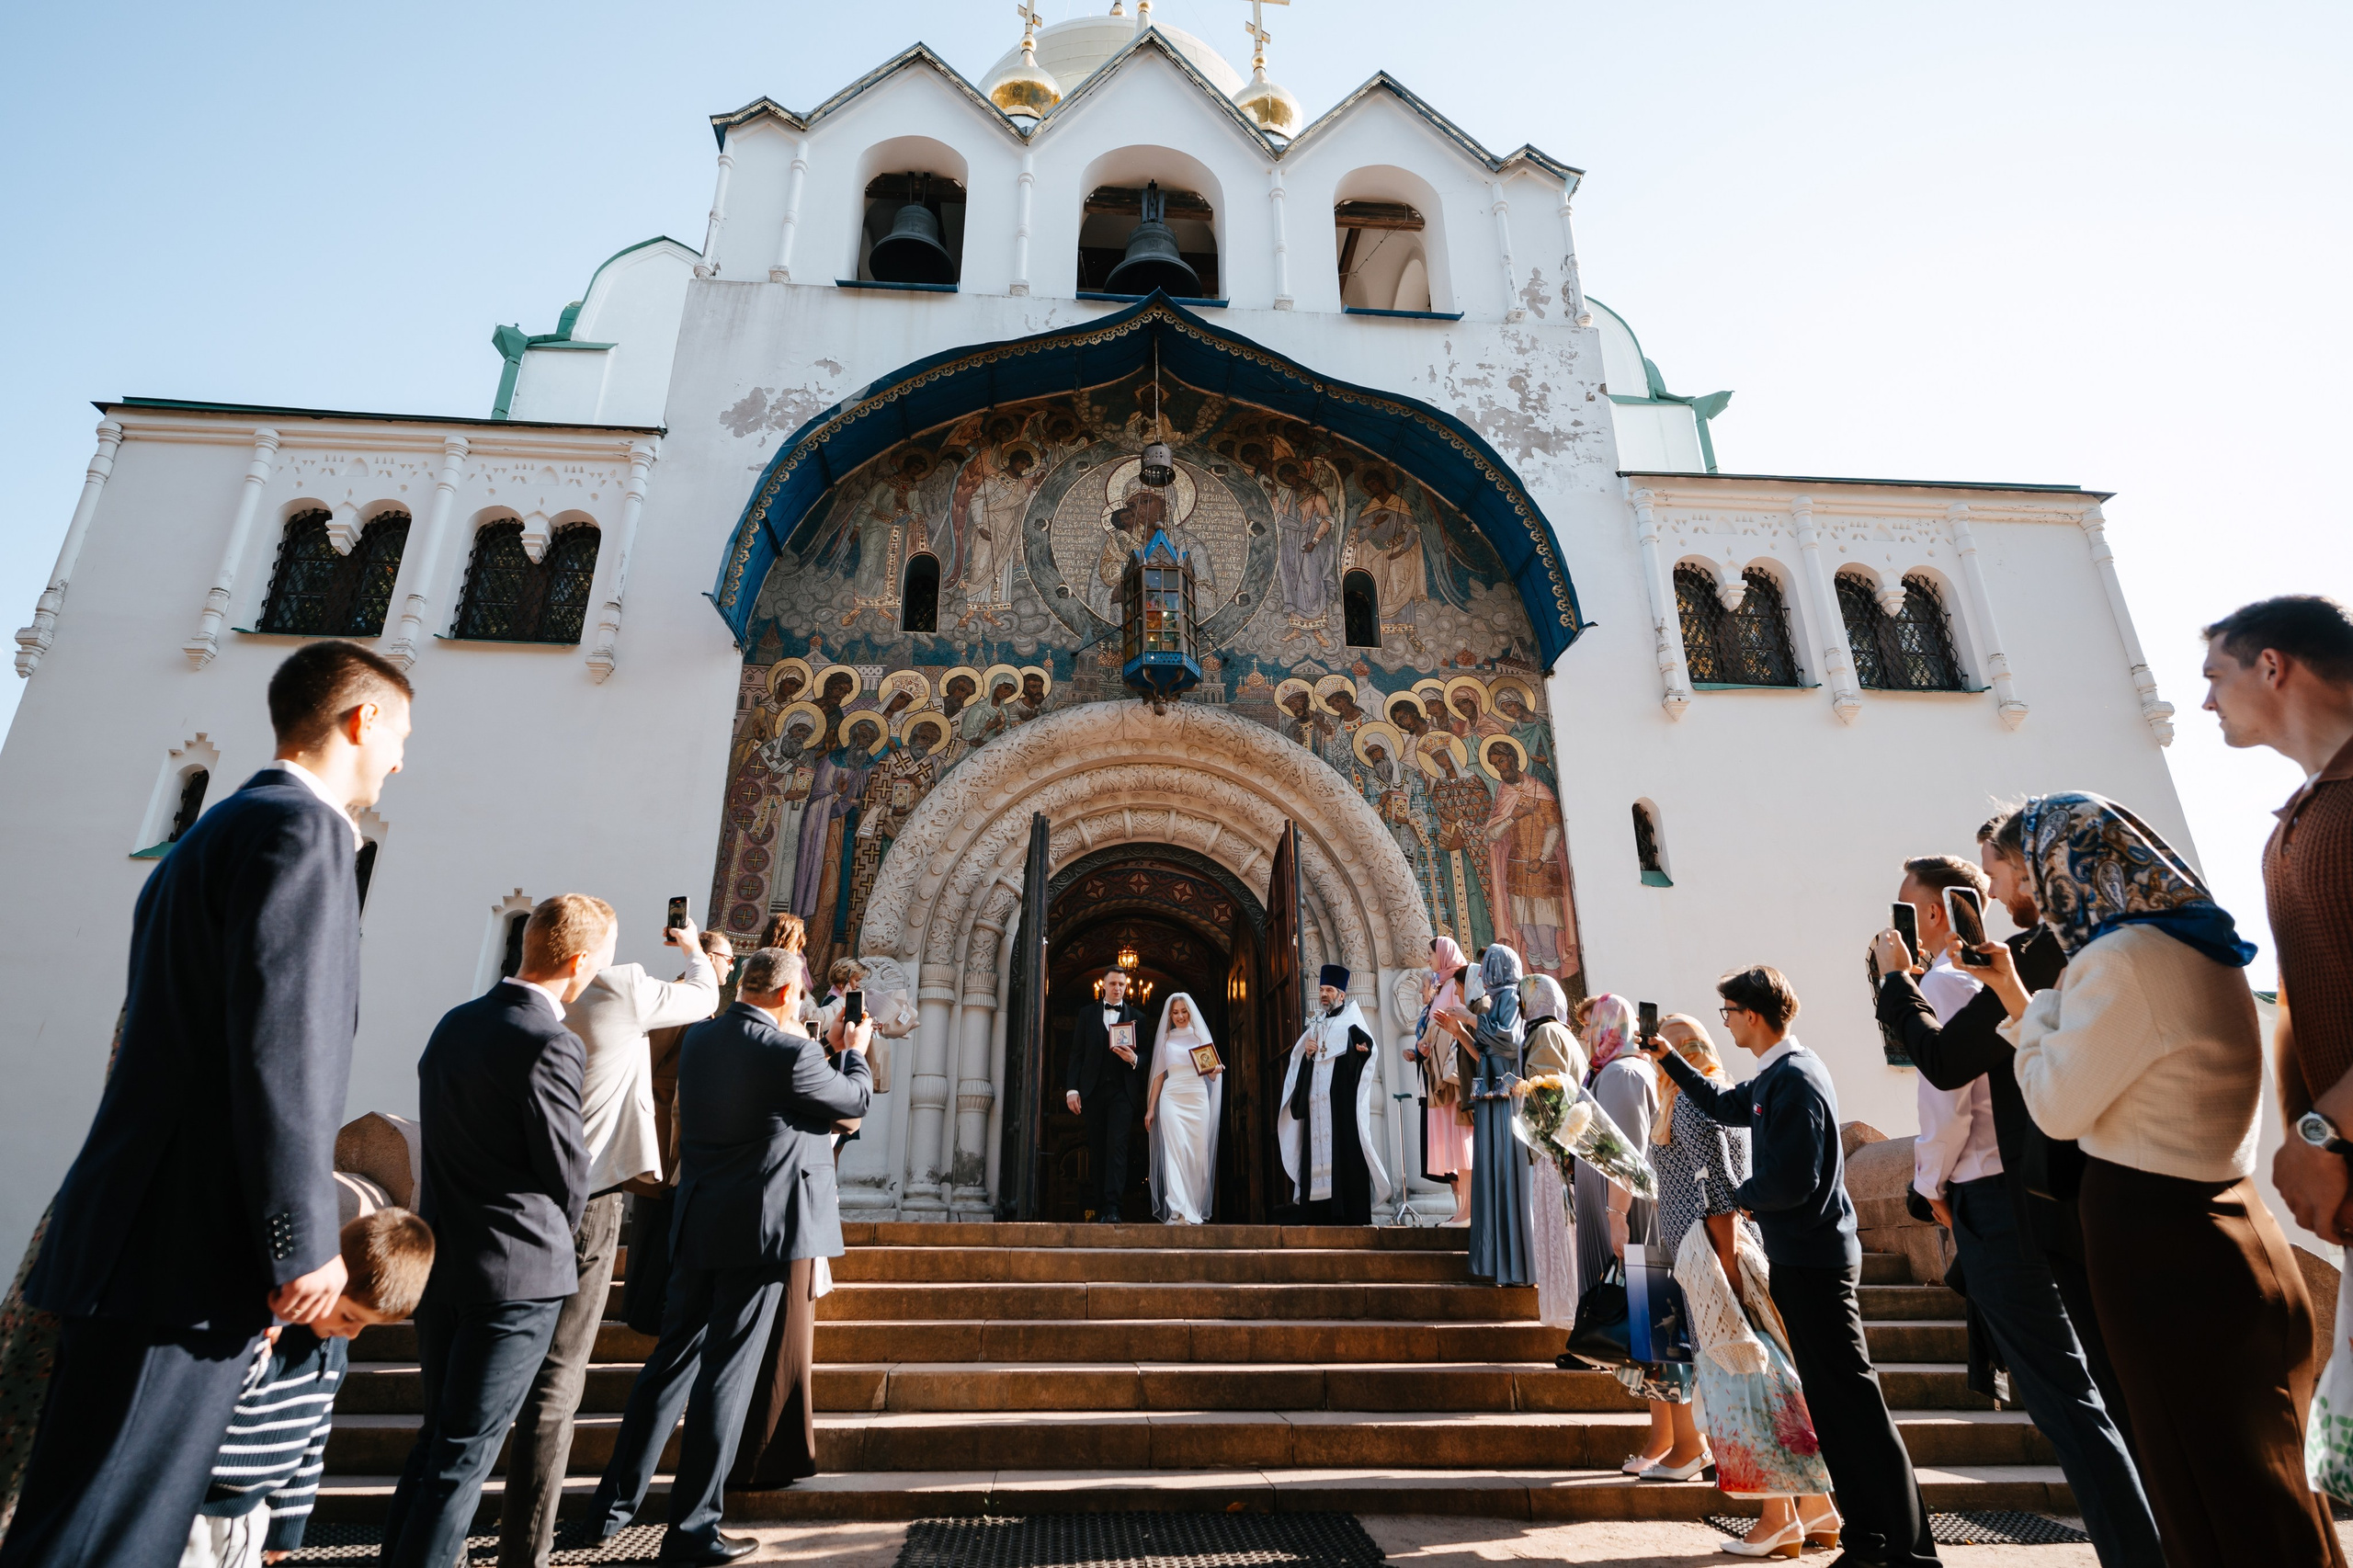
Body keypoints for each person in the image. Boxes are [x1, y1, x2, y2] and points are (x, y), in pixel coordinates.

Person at [1, 642, 412, 1568]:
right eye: (400, 736)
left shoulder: (216, 829)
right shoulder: (303, 835)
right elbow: (285, 1050)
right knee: (115, 1530)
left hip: (132, 1237)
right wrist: (303, 1240)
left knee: (76, 1518)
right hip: (183, 1258)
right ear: (362, 720)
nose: (398, 762)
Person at [1989, 793, 2343, 1568]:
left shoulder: (2118, 961)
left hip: (2163, 1245)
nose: (1999, 896)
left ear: (2055, 866)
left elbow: (2055, 1106)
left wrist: (2035, 1012)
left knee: (2204, 1492)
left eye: (2006, 872)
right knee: (2270, 1488)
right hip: (2235, 1225)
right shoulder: (2198, 945)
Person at [1872, 856, 2162, 1567]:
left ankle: (2136, 1554)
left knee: (2063, 1400)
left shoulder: (1939, 982)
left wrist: (1931, 1186)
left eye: (1907, 910)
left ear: (1934, 915)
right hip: (2047, 1190)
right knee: (2094, 1387)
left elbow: (1945, 1110)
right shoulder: (2004, 979)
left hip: (1990, 1200)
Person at [1652, 965, 1940, 1568]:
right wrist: (1670, 1060)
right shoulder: (1773, 1075)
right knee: (1834, 1409)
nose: (1725, 1022)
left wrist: (1739, 1199)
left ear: (1752, 1015)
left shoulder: (1798, 1078)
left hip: (1815, 1260)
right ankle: (1867, 1540)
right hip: (1797, 1256)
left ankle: (1908, 1548)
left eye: (1729, 1013)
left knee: (1856, 1405)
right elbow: (1719, 1101)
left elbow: (1796, 1177)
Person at [589, 949, 872, 1561]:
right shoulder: (790, 1052)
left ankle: (609, 1509)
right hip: (762, 1233)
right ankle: (693, 1529)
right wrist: (853, 1049)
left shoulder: (702, 1041)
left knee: (668, 1367)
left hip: (698, 1223)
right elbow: (851, 1102)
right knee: (725, 1377)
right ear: (783, 995)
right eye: (800, 993)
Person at [382, 894, 607, 1568]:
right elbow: (569, 1170)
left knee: (438, 1443)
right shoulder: (549, 1042)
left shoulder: (454, 1026)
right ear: (578, 962)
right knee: (465, 1454)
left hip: (446, 1259)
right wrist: (554, 1242)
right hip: (516, 1276)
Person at [497, 911, 721, 1568]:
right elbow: (704, 996)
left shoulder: (482, 1022)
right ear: (585, 958)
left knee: (479, 1393)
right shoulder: (619, 991)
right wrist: (694, 952)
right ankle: (526, 1549)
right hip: (590, 1197)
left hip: (506, 1209)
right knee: (558, 1380)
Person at [1645, 1016, 1838, 1552]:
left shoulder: (1688, 1103)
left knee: (1741, 1379)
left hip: (1711, 1253)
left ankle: (1777, 1515)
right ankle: (1818, 1508)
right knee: (1774, 1374)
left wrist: (1725, 1268)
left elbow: (1717, 1190)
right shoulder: (1718, 1096)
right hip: (1728, 1247)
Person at [2200, 600, 2353, 1256]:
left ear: (2271, 666)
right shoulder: (2294, 820)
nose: (2207, 702)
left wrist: (2322, 1132)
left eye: (2214, 676)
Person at [181, 1210, 433, 1568]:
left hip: (251, 1511)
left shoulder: (333, 1352)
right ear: (327, 1282)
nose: (352, 1333)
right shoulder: (267, 1332)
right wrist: (261, 1339)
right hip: (191, 1506)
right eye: (349, 1317)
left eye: (366, 1326)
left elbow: (313, 1435)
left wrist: (290, 1520)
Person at [623, 930, 737, 1337]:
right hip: (662, 1129)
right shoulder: (677, 997)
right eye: (726, 957)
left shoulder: (698, 1001)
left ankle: (655, 1305)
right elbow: (649, 1060)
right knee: (654, 1223)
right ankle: (643, 1309)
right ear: (705, 957)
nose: (732, 964)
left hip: (681, 1130)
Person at [1570, 995, 1657, 1358]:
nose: (1584, 1033)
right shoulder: (1610, 1071)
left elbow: (1626, 1157)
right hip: (1609, 1204)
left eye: (1590, 1025)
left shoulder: (1623, 1074)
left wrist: (1617, 1217)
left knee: (1636, 1316)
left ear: (1610, 1026)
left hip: (1623, 1210)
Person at [1277, 965, 1391, 1224]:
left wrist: (1359, 1052)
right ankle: (1317, 1214)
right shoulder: (1315, 1024)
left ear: (1341, 993)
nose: (1324, 995)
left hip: (1339, 1108)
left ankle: (1348, 1214)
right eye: (1321, 990)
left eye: (1329, 990)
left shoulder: (1352, 1022)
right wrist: (1307, 1054)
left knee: (1344, 1152)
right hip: (1316, 1108)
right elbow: (1301, 1067)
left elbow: (1366, 1052)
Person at [1461, 947, 1531, 1285]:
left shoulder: (1510, 997)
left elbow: (1508, 1041)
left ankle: (1513, 1264)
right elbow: (1487, 1049)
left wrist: (1471, 1018)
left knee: (1504, 1170)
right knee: (1492, 1170)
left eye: (1486, 966)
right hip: (1492, 1096)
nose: (1481, 974)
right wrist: (1460, 1030)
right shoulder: (1500, 999)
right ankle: (1496, 1262)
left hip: (1505, 1099)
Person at [1518, 975, 1584, 1328]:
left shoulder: (1543, 1036)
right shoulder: (1564, 1034)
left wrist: (1520, 1088)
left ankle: (1568, 1315)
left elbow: (1548, 1092)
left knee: (1557, 1233)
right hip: (1568, 1145)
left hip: (1553, 1149)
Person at [1401, 937, 1473, 1225]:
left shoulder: (1459, 982)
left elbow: (1460, 1023)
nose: (1428, 959)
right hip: (1438, 1076)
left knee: (1463, 1142)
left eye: (1431, 953)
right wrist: (1425, 1047)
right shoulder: (1444, 985)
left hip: (1454, 1078)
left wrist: (1436, 1041)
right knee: (1455, 1146)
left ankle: (1468, 1210)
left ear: (1443, 955)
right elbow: (1439, 1028)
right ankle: (1463, 1210)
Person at [1065, 968, 1146, 1222]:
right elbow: (1077, 1054)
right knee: (1098, 1149)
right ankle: (1099, 1206)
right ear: (1103, 985)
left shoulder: (1138, 1017)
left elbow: (1149, 1056)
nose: (1117, 988)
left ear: (1126, 986)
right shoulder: (1087, 1014)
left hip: (1122, 1093)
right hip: (1093, 1092)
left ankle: (1113, 1208)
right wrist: (1072, 1089)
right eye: (1113, 983)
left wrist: (1135, 1059)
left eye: (1122, 984)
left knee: (1118, 1150)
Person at [1144, 994, 1224, 1224]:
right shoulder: (1166, 1040)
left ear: (1190, 1012)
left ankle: (1193, 1208)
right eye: (1175, 1012)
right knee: (1175, 1149)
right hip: (1171, 1097)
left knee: (1196, 1154)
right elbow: (1159, 1077)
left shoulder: (1201, 1038)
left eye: (1184, 1011)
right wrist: (1151, 1109)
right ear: (1170, 1015)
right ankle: (1178, 1208)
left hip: (1197, 1098)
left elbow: (1210, 1073)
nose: (1180, 1016)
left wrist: (1216, 1069)